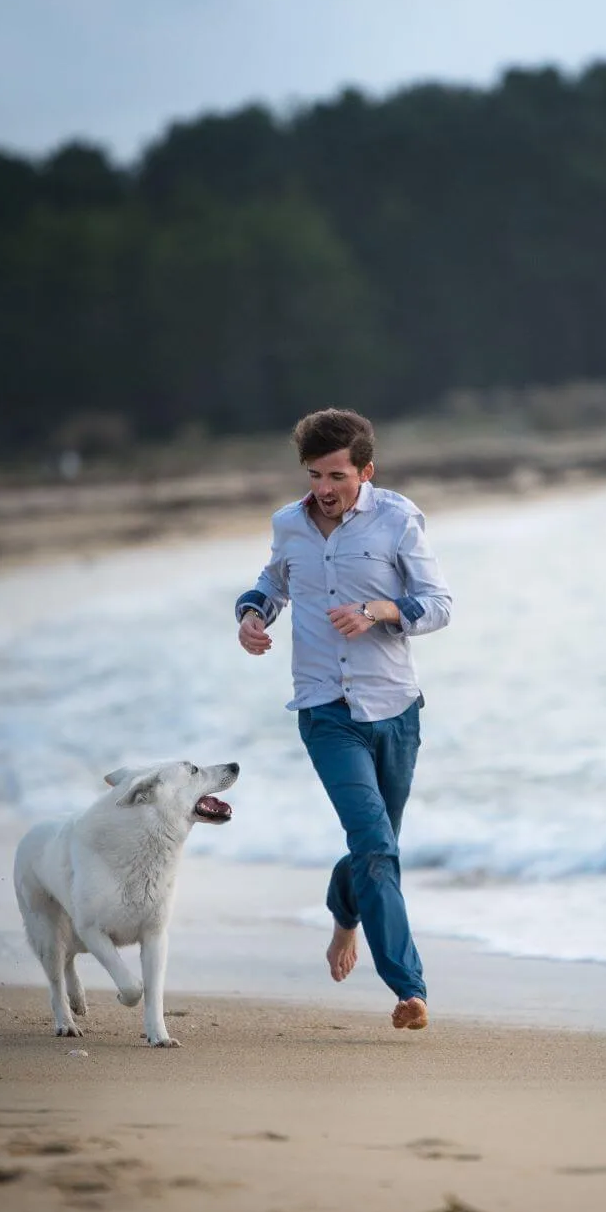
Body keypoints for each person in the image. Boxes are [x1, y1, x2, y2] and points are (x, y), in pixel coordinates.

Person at [235, 407, 453, 1031]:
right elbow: (271, 585)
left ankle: (345, 914)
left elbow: (439, 607)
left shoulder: (398, 519)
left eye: (335, 475)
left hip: (395, 710)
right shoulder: (289, 525)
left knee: (376, 845)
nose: (323, 490)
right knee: (377, 845)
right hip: (325, 711)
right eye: (313, 476)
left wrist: (381, 609)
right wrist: (252, 617)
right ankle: (410, 990)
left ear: (365, 470)